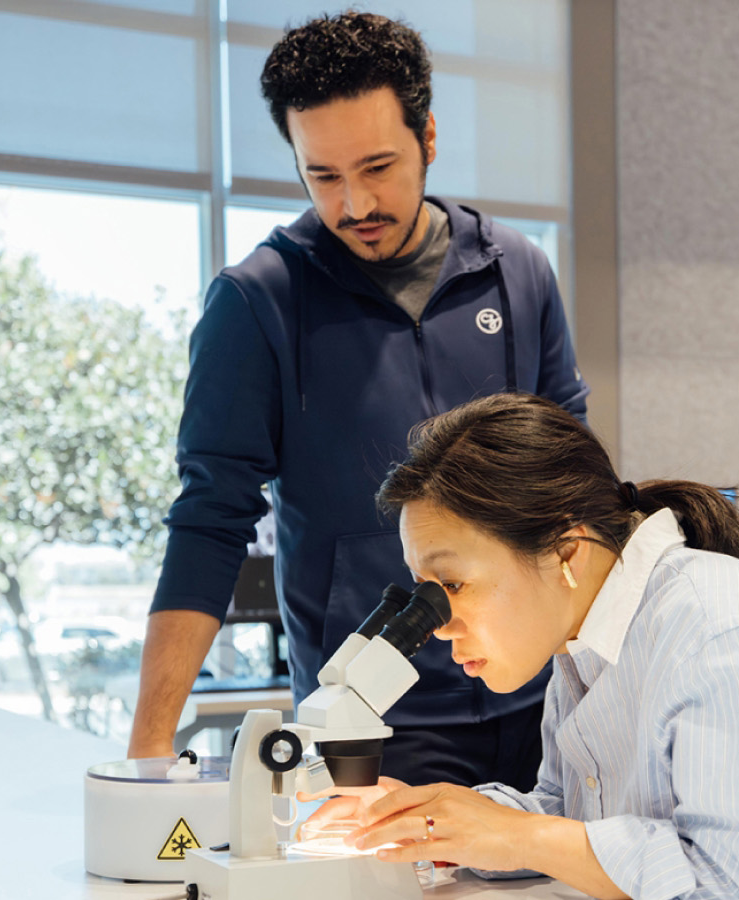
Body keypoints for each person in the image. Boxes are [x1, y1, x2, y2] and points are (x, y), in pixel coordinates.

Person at [128, 11, 589, 793]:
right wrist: (145, 752)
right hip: (371, 730)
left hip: (546, 700)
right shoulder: (256, 303)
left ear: (429, 138)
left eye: (378, 167)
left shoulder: (517, 273)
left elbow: (575, 482)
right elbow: (209, 521)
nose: (354, 204)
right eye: (325, 177)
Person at [310, 393, 739, 899]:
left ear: (566, 550)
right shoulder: (583, 647)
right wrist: (441, 820)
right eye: (425, 595)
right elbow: (571, 819)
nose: (438, 626)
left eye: (453, 586)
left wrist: (521, 838)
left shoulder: (729, 636)